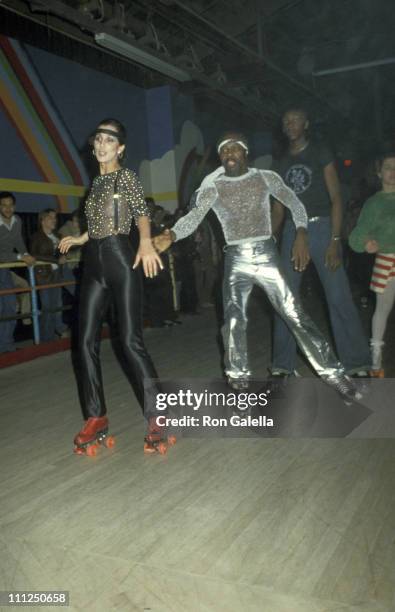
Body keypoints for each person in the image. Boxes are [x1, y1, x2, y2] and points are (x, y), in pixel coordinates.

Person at [154, 131, 361, 402]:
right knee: (233, 322)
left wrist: (301, 232)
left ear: (245, 153)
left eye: (234, 149)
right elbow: (193, 217)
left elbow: (296, 204)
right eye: (224, 150)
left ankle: (337, 377)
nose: (229, 153)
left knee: (295, 315)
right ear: (220, 157)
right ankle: (238, 385)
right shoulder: (213, 187)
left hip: (266, 254)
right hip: (235, 259)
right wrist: (171, 234)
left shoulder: (265, 177)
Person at [59, 118, 166, 454]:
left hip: (121, 258)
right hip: (93, 262)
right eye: (98, 139)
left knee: (130, 341)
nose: (101, 144)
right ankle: (96, 417)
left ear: (120, 148)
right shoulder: (94, 186)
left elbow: (139, 213)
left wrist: (146, 242)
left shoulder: (126, 177)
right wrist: (79, 238)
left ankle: (159, 415)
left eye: (109, 140)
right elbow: (98, 223)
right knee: (85, 342)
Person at [271, 107, 371, 380]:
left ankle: (357, 361)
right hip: (292, 231)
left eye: (295, 119)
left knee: (337, 296)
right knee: (285, 298)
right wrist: (268, 241)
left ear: (306, 123)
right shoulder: (279, 163)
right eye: (286, 120)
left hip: (322, 227)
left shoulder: (320, 151)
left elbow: (336, 196)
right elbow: (279, 208)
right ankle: (282, 364)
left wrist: (335, 240)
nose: (290, 123)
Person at [349, 153, 395, 377]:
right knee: (382, 310)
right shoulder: (374, 203)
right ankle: (376, 363)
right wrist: (366, 243)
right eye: (388, 167)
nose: (393, 172)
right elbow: (356, 236)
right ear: (379, 173)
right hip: (387, 261)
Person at [0, 192, 35, 353]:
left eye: (10, 205)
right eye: (3, 205)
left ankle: (6, 346)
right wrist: (20, 256)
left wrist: (26, 254)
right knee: (5, 306)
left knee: (10, 306)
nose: (7, 208)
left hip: (5, 268)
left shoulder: (17, 220)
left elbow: (18, 241)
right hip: (3, 266)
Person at [30, 209, 69, 342]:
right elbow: (34, 255)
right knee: (47, 307)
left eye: (55, 218)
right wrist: (56, 260)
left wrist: (63, 253)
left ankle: (57, 330)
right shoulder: (36, 236)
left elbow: (61, 253)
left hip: (57, 273)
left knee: (57, 305)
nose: (54, 220)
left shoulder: (57, 235)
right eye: (51, 218)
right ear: (42, 220)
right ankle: (47, 338)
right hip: (44, 275)